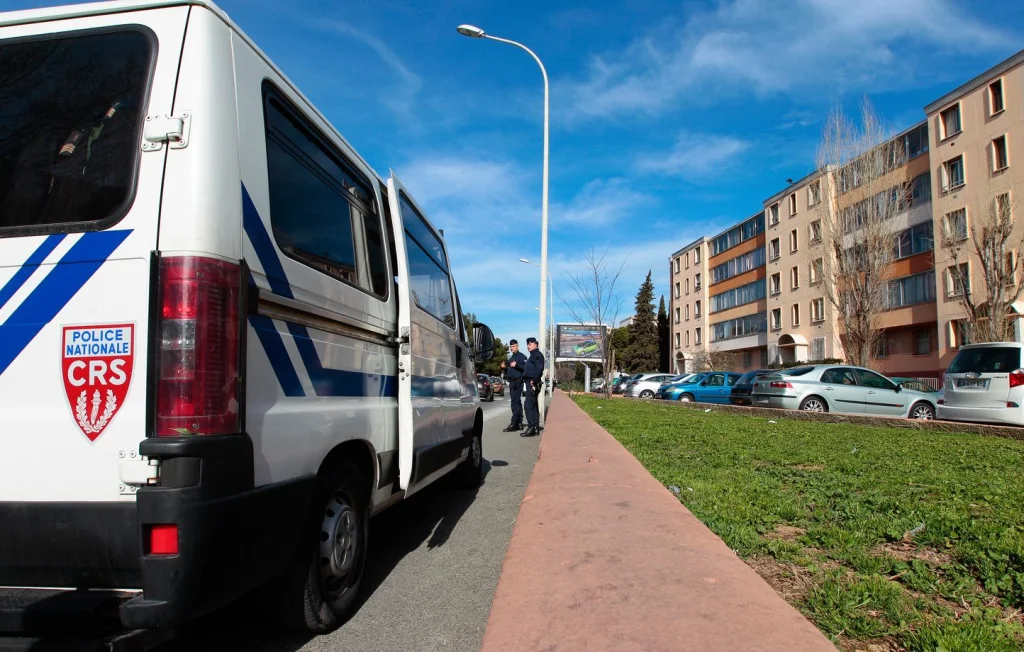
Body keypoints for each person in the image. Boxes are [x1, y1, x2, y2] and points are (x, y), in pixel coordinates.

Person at [501, 339, 528, 432]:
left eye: (513, 346)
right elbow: (508, 371)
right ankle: (519, 422)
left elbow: (526, 368)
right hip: (512, 382)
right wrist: (504, 368)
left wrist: (516, 365)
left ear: (517, 346)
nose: (511, 348)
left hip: (518, 381)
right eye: (510, 346)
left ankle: (514, 423)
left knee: (514, 403)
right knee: (517, 402)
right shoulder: (511, 358)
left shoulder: (522, 357)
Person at [521, 337, 545, 437]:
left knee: (528, 405)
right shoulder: (533, 355)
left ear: (536, 344)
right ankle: (535, 428)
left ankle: (531, 427)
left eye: (530, 344)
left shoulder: (537, 355)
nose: (528, 346)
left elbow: (539, 368)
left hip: (533, 383)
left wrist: (534, 381)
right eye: (527, 344)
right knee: (534, 405)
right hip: (530, 382)